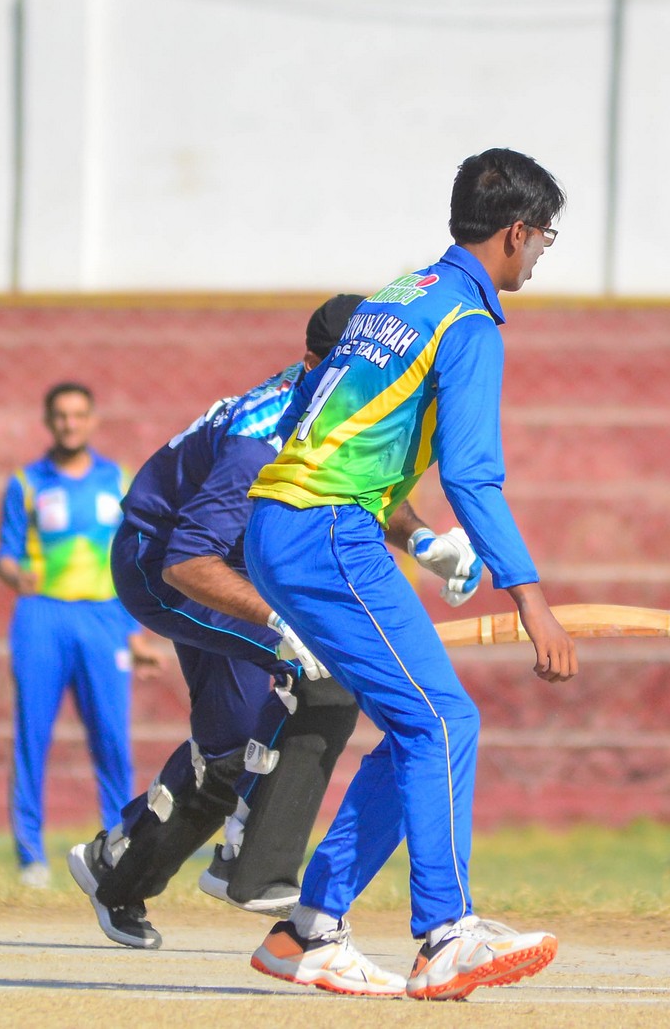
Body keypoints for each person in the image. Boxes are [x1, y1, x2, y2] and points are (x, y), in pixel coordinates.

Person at [243, 148, 578, 1001]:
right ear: (516, 233)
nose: (542, 254)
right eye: (546, 237)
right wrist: (532, 598)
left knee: (416, 725)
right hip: (328, 531)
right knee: (442, 720)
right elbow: (472, 474)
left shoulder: (398, 294)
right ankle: (447, 935)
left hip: (289, 522)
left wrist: (422, 542)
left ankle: (308, 930)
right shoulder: (468, 321)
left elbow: (330, 423)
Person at [65, 295, 484, 950]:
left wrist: (424, 541)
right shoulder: (258, 440)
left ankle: (115, 869)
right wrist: (279, 625)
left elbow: (353, 486)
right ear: (315, 362)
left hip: (236, 562)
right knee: (321, 676)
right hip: (165, 565)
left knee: (230, 747)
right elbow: (186, 561)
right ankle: (251, 864)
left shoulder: (344, 401)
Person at [0, 382, 158, 888]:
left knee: (112, 738)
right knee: (32, 736)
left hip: (104, 620)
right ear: (49, 421)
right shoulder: (26, 482)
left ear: (92, 420)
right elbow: (5, 553)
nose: (69, 423)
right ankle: (31, 859)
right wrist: (12, 573)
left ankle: (117, 850)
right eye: (60, 415)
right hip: (42, 618)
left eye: (78, 414)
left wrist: (135, 632)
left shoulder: (117, 480)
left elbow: (131, 559)